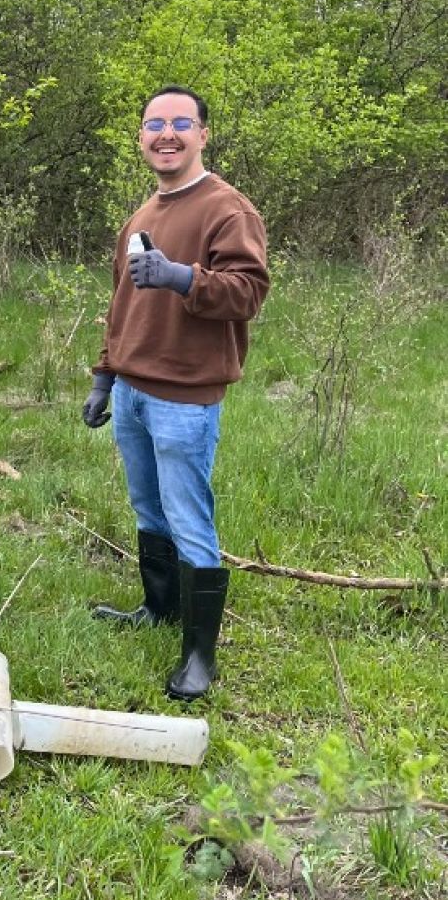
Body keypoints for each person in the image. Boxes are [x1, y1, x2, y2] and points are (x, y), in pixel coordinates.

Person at [82, 86, 268, 700]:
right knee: (148, 510)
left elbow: (247, 293)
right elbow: (120, 306)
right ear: (141, 137)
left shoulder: (227, 209)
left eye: (180, 123)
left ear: (203, 135)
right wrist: (105, 376)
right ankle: (158, 610)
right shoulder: (141, 216)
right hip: (133, 391)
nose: (167, 134)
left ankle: (199, 657)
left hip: (186, 396)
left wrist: (183, 277)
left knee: (190, 521)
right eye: (154, 124)